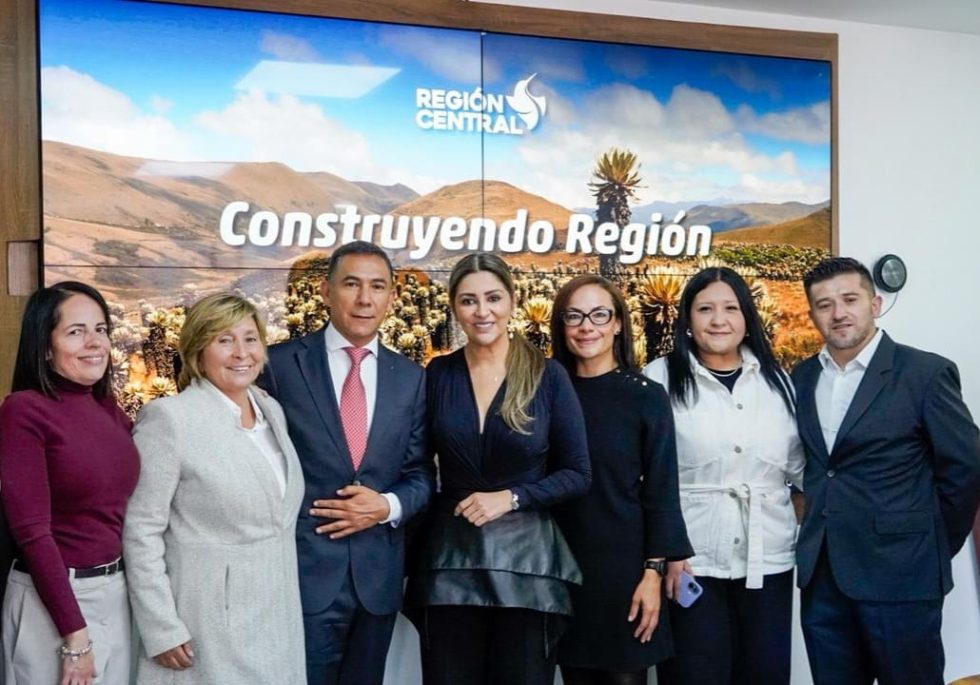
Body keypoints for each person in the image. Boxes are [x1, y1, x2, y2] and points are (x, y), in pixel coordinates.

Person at [405, 252, 591, 685]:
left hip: (529, 568)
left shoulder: (548, 375)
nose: (482, 311)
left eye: (493, 298)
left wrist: (512, 498)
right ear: (455, 307)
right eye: (469, 300)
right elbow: (415, 463)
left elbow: (577, 473)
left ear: (512, 300)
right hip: (448, 564)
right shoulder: (438, 373)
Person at [792, 257, 980, 685]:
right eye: (824, 304)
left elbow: (965, 468)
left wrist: (932, 544)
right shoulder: (802, 377)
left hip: (902, 575)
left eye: (850, 299)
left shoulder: (925, 373)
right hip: (824, 577)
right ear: (812, 314)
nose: (838, 313)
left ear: (874, 304)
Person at [259, 241, 434, 685]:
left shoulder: (411, 378)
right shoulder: (279, 366)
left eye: (377, 286)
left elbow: (420, 474)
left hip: (377, 580)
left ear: (392, 296)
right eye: (351, 284)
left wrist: (387, 506)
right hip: (301, 574)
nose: (364, 299)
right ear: (325, 291)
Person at [123, 293, 306, 684]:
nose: (241, 352)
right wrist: (161, 626)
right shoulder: (170, 419)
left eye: (250, 339)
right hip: (203, 620)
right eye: (224, 340)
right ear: (197, 351)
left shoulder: (270, 410)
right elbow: (140, 530)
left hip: (277, 615)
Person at [643, 267, 803, 685]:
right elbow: (646, 479)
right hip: (690, 562)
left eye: (730, 308)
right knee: (694, 674)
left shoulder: (778, 381)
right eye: (705, 309)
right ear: (687, 318)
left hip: (767, 558)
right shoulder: (658, 378)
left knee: (765, 673)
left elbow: (801, 471)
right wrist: (663, 554)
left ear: (747, 315)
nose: (719, 320)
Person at [550, 275, 693, 685]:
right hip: (559, 569)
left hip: (626, 573)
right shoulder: (547, 393)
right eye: (574, 316)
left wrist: (652, 573)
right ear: (561, 325)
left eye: (599, 315)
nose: (586, 326)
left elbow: (661, 490)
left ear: (617, 324)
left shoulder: (646, 395)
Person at [0, 281, 139, 685]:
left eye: (101, 329)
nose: (95, 342)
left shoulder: (109, 410)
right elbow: (32, 533)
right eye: (76, 332)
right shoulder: (24, 411)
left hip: (116, 593)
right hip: (55, 605)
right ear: (45, 346)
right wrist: (75, 635)